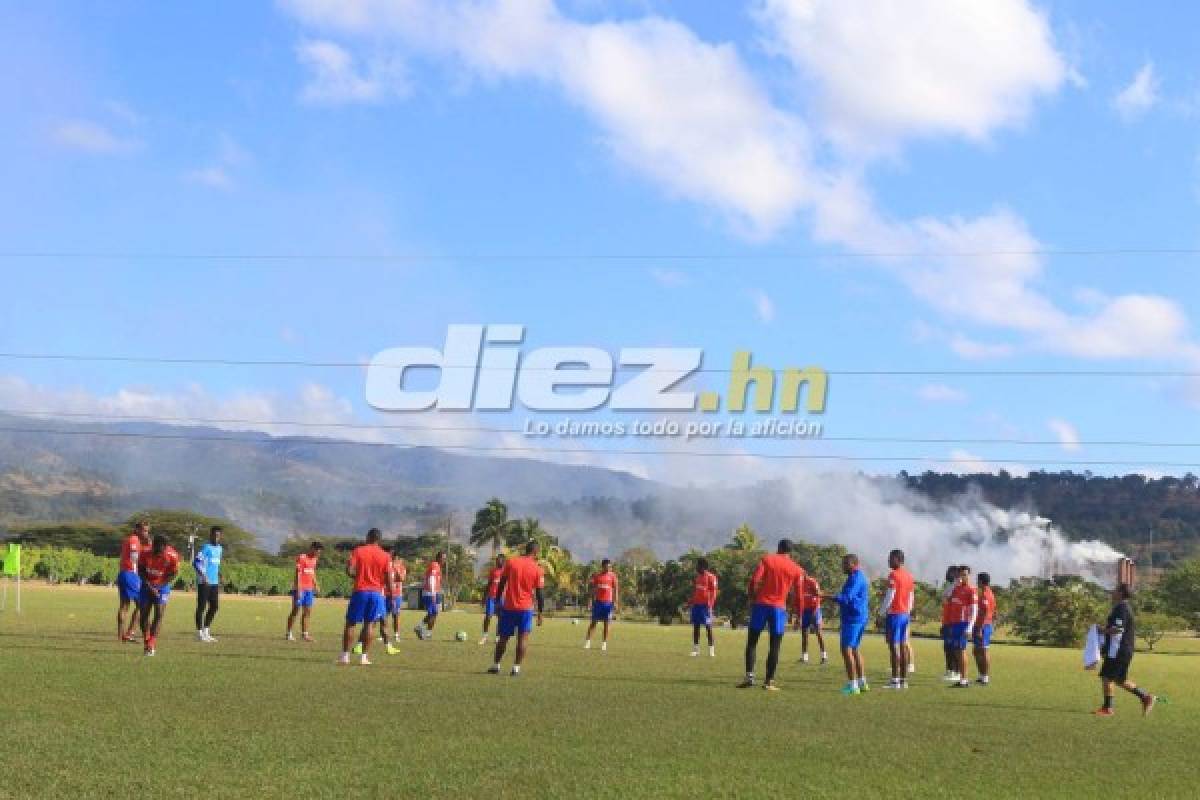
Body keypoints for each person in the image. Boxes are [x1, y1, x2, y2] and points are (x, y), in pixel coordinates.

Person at [738, 539, 805, 691]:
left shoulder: (767, 559)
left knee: (752, 642)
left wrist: (752, 597)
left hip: (761, 606)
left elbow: (754, 580)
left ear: (778, 548)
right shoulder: (797, 569)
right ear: (790, 552)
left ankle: (749, 677)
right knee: (775, 646)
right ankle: (769, 682)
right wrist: (799, 616)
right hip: (778, 610)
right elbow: (799, 596)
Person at [1094, 583, 1155, 717]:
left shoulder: (1122, 608)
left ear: (1121, 593)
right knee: (1119, 680)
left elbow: (1118, 629)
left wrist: (1102, 630)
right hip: (1123, 650)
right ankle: (1146, 697)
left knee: (1107, 677)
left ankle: (1107, 709)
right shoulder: (1122, 607)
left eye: (1115, 590)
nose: (1112, 592)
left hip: (1118, 650)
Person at [489, 541, 545, 677]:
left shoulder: (512, 562)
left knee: (503, 638)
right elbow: (539, 594)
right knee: (523, 639)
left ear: (526, 549)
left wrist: (497, 602)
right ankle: (516, 669)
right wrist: (540, 613)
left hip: (508, 607)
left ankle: (496, 666)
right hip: (525, 609)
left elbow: (502, 583)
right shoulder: (538, 569)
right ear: (536, 552)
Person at [339, 528, 394, 666]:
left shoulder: (358, 551)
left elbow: (350, 570)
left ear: (368, 537)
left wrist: (356, 575)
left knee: (351, 623)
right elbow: (389, 580)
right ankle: (364, 657)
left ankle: (345, 656)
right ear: (379, 539)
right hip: (376, 593)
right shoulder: (386, 556)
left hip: (361, 591)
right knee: (369, 625)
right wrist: (392, 597)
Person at [827, 553, 870, 695]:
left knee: (846, 650)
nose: (843, 567)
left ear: (853, 564)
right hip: (859, 617)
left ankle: (853, 685)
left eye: (845, 564)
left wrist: (824, 595)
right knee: (855, 649)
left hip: (853, 618)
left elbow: (846, 598)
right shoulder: (858, 576)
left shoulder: (855, 578)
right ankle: (862, 683)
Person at [136, 535, 180, 657]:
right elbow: (140, 570)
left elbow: (173, 574)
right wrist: (150, 586)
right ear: (152, 545)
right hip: (146, 585)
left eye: (160, 551)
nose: (156, 552)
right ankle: (146, 639)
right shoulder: (145, 552)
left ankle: (151, 643)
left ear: (165, 548)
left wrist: (159, 586)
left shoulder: (172, 556)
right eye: (155, 549)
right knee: (144, 615)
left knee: (159, 613)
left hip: (163, 586)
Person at [880, 549, 915, 689]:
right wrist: (908, 610)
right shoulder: (909, 576)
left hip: (895, 615)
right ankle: (904, 681)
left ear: (897, 559)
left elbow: (890, 595)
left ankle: (895, 680)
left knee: (894, 647)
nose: (888, 561)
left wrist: (882, 613)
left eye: (890, 558)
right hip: (905, 614)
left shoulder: (893, 575)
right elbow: (912, 596)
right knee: (903, 646)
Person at [116, 521, 150, 642]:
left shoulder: (130, 540)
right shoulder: (134, 540)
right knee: (142, 605)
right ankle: (130, 633)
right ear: (137, 530)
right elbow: (135, 558)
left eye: (147, 531)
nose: (146, 533)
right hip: (131, 574)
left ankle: (121, 636)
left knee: (124, 606)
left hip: (123, 574)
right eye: (144, 530)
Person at [946, 565, 977, 689]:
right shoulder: (956, 588)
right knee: (957, 651)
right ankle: (962, 677)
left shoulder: (971, 590)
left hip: (963, 623)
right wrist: (954, 584)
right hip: (954, 623)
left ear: (969, 575)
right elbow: (945, 595)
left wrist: (969, 627)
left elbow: (974, 611)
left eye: (965, 574)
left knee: (961, 650)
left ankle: (964, 679)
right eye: (960, 575)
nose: (962, 577)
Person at [286, 541, 323, 642]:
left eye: (319, 552)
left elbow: (312, 571)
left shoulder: (315, 559)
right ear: (312, 548)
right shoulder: (302, 557)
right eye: (317, 551)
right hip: (300, 588)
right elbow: (298, 574)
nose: (318, 553)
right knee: (295, 611)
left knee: (307, 612)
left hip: (309, 589)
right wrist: (298, 589)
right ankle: (288, 633)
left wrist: (316, 584)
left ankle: (305, 634)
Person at [193, 526, 223, 643]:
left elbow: (215, 565)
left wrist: (220, 574)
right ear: (210, 535)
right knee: (201, 607)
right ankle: (199, 633)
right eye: (214, 535)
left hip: (214, 582)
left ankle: (206, 631)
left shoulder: (220, 549)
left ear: (220, 536)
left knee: (214, 607)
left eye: (218, 535)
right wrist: (203, 575)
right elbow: (196, 562)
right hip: (204, 582)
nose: (216, 537)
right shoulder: (206, 547)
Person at [584, 559, 619, 652]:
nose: (609, 568)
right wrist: (590, 601)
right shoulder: (597, 576)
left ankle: (604, 644)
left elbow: (616, 590)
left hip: (608, 604)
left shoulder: (613, 576)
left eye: (610, 567)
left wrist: (615, 602)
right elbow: (593, 590)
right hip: (598, 603)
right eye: (607, 567)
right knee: (593, 623)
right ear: (603, 566)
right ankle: (588, 642)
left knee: (606, 624)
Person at [689, 557, 718, 658]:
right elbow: (696, 592)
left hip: (705, 606)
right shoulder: (697, 577)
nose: (696, 567)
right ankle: (696, 650)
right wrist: (691, 601)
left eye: (698, 565)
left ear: (703, 567)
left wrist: (710, 604)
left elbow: (714, 592)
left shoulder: (711, 577)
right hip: (696, 605)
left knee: (708, 627)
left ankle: (711, 651)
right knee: (696, 627)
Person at [414, 550, 446, 641]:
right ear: (439, 558)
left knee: (433, 613)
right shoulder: (435, 565)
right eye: (443, 558)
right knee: (433, 613)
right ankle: (420, 628)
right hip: (430, 593)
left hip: (433, 592)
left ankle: (426, 632)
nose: (444, 560)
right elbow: (431, 578)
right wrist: (432, 593)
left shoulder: (437, 566)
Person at [796, 569, 827, 665]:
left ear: (805, 574)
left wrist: (815, 609)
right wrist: (798, 614)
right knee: (804, 634)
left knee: (819, 633)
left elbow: (818, 595)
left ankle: (824, 657)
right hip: (805, 611)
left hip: (814, 610)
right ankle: (805, 658)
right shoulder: (799, 584)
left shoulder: (812, 582)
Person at [381, 549, 407, 653]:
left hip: (397, 594)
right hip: (386, 594)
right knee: (384, 615)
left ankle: (396, 634)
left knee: (395, 615)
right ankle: (384, 634)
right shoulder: (386, 565)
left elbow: (401, 578)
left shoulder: (401, 567)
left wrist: (396, 569)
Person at [972, 572, 996, 685]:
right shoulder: (989, 592)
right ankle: (981, 675)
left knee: (984, 651)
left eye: (978, 580)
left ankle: (985, 677)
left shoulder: (986, 594)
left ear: (981, 581)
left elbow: (985, 612)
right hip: (982, 625)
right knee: (976, 651)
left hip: (983, 626)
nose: (977, 582)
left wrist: (980, 628)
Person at [479, 554, 505, 645]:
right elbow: (489, 584)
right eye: (497, 560)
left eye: (500, 560)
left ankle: (497, 637)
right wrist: (484, 597)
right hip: (491, 597)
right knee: (488, 617)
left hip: (502, 598)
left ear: (503, 561)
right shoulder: (493, 571)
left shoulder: (506, 572)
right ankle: (484, 636)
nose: (498, 562)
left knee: (500, 618)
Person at [940, 565, 961, 682]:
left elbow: (946, 598)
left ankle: (956, 672)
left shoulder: (957, 587)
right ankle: (949, 670)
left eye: (949, 572)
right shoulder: (950, 586)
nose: (947, 574)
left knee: (954, 648)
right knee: (947, 647)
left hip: (953, 622)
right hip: (947, 621)